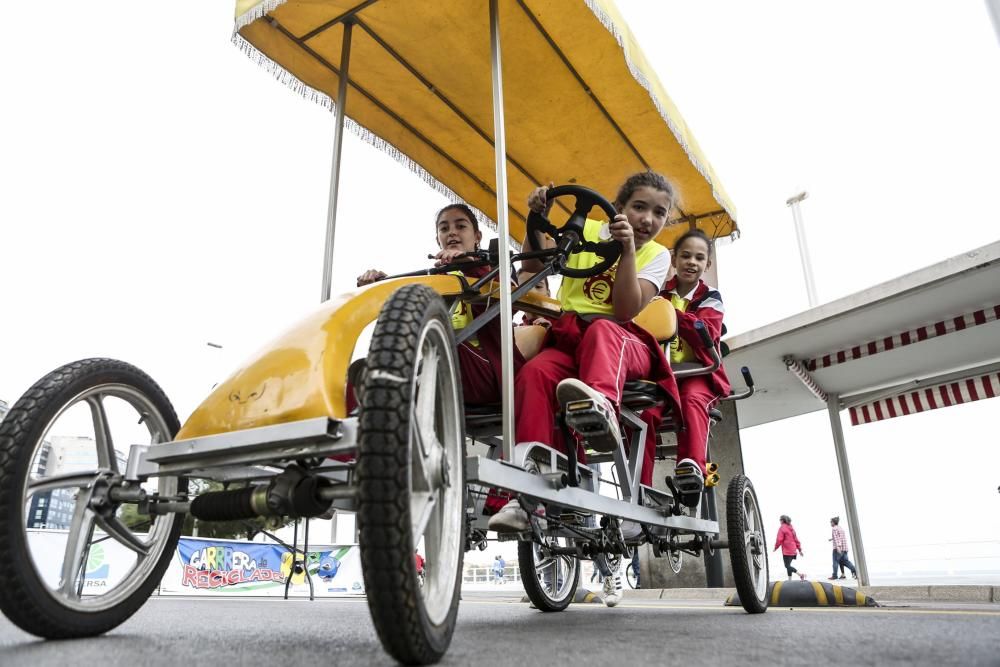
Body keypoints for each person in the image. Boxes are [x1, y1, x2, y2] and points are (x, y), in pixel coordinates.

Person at [489, 171, 683, 608]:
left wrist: (628, 248)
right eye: (639, 207)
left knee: (602, 335)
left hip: (625, 340)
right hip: (570, 338)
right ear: (618, 205)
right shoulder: (587, 229)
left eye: (659, 212)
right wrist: (535, 220)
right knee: (535, 373)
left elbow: (627, 308)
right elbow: (534, 268)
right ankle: (527, 497)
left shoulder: (656, 254)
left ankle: (601, 409)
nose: (648, 218)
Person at [355, 203, 525, 406]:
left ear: (477, 237)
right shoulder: (434, 277)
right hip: (437, 367)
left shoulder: (496, 268)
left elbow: (509, 305)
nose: (452, 232)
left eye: (460, 226)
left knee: (442, 344)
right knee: (363, 373)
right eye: (444, 228)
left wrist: (469, 266)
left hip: (490, 376)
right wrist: (381, 288)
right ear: (438, 239)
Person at [636, 229, 730, 502]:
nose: (692, 262)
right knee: (644, 414)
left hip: (699, 371)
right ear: (673, 259)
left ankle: (691, 468)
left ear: (707, 264)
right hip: (664, 373)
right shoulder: (658, 293)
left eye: (699, 258)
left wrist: (669, 316)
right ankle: (639, 488)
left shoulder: (710, 296)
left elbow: (708, 331)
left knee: (691, 400)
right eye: (685, 256)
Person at [773, 514, 806, 581]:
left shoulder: (782, 527)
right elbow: (796, 539)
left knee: (787, 566)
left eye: (780, 520)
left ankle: (800, 575)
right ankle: (789, 580)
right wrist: (799, 550)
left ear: (782, 520)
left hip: (787, 550)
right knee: (789, 565)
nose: (779, 521)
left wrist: (776, 547)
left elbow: (779, 539)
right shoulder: (791, 528)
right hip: (793, 550)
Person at [829, 516, 858, 580]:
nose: (830, 523)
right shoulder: (840, 528)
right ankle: (855, 571)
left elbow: (837, 539)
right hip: (845, 548)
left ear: (834, 522)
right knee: (846, 562)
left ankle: (835, 575)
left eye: (831, 522)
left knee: (835, 562)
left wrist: (838, 547)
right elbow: (840, 537)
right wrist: (832, 539)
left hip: (838, 548)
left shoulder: (834, 529)